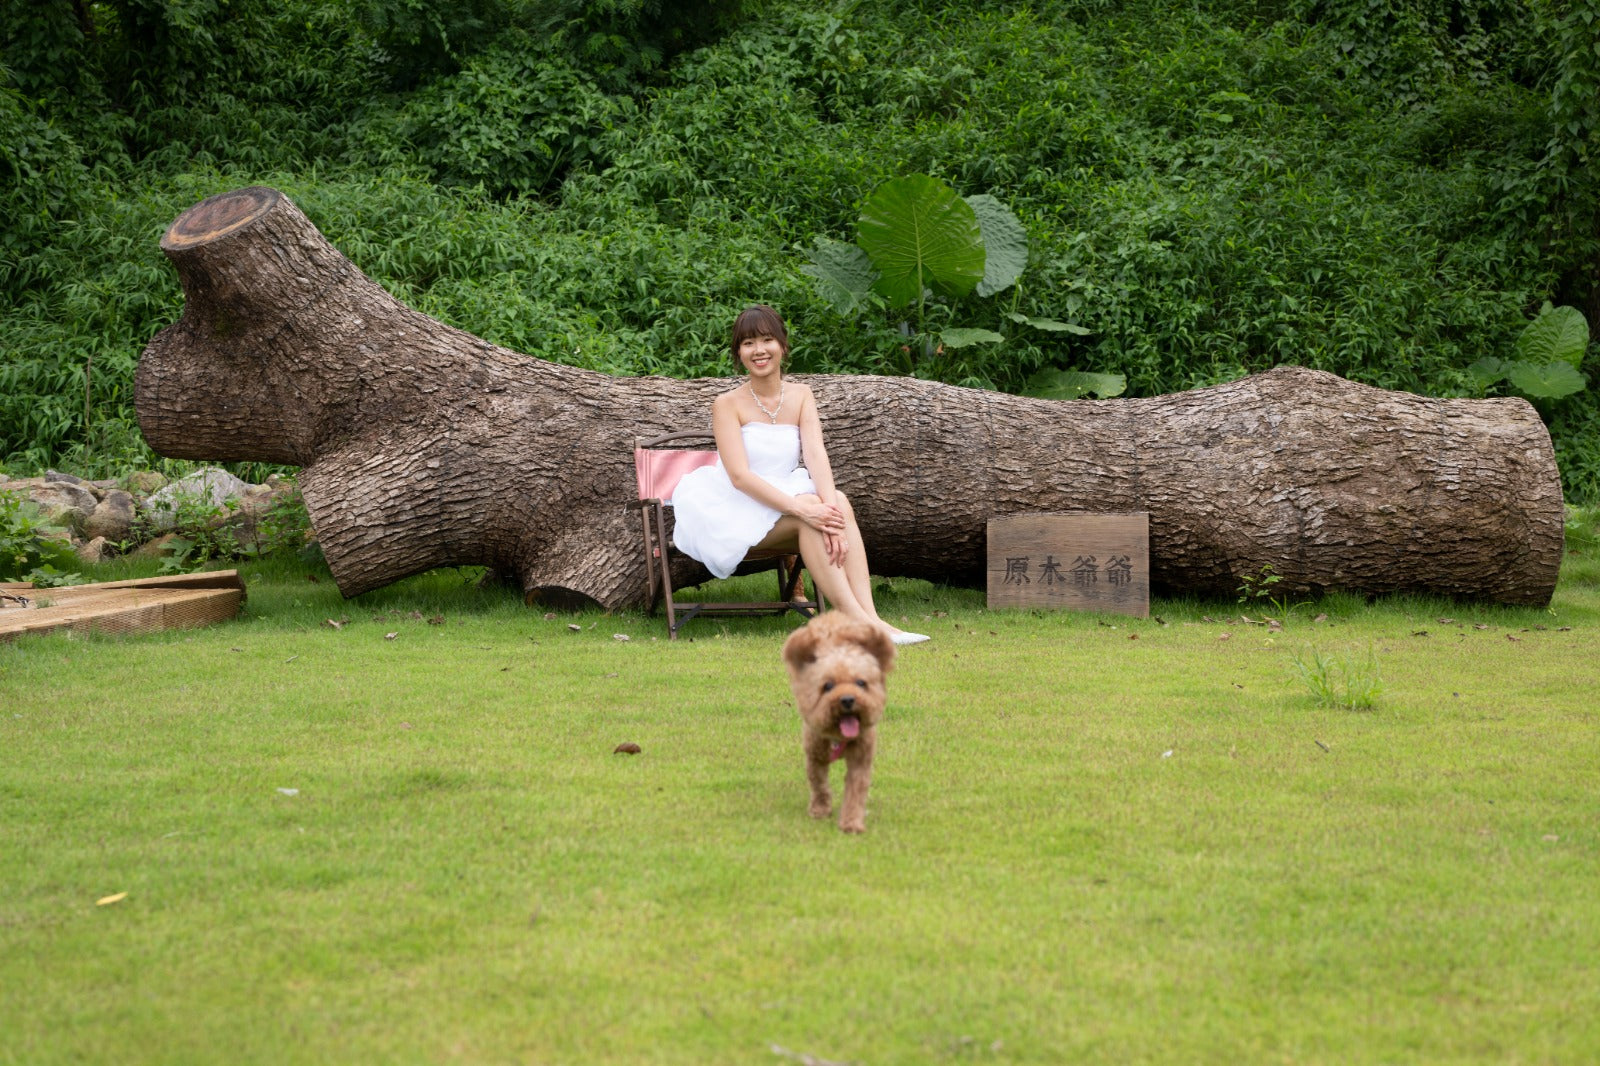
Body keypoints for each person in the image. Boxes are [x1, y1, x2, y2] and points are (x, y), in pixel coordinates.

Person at [669, 305, 930, 646]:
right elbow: (739, 477)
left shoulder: (802, 395)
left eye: (766, 340)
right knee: (810, 514)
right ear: (738, 352)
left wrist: (830, 513)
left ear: (782, 345)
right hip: (737, 506)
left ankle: (874, 619)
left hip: (786, 496)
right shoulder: (727, 404)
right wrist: (806, 510)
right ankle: (856, 624)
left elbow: (816, 455)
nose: (759, 350)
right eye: (748, 343)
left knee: (839, 500)